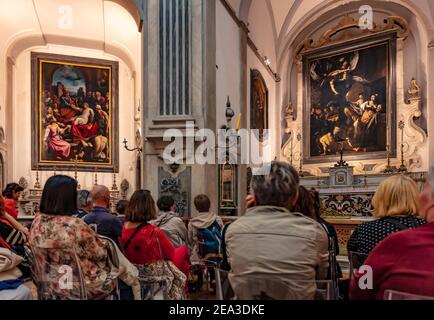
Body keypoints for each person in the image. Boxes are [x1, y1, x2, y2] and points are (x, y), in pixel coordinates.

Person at [225, 162, 329, 300]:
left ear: (254, 197)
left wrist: (247, 215)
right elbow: (321, 276)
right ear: (295, 198)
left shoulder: (233, 230)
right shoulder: (314, 232)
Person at [29, 175, 139, 300]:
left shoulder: (36, 222)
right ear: (68, 198)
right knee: (125, 278)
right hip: (80, 288)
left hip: (49, 287)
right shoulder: (74, 224)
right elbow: (100, 254)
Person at [350, 169, 434, 300]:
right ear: (415, 197)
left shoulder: (365, 229)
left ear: (380, 198)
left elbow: (358, 273)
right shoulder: (425, 225)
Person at [120, 190, 186, 300]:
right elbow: (170, 254)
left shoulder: (122, 228)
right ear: (150, 208)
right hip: (150, 276)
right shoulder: (154, 231)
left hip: (129, 272)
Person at [347, 174, 425, 259]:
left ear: (380, 198)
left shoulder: (365, 229)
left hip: (378, 272)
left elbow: (353, 258)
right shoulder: (428, 226)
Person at [188, 194, 223, 265]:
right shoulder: (217, 219)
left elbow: (190, 240)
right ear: (209, 205)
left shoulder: (192, 222)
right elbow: (222, 235)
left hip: (199, 257)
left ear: (196, 208)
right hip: (217, 255)